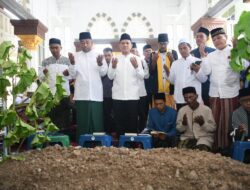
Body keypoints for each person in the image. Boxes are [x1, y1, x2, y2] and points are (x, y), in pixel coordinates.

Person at [200, 28, 240, 152]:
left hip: (230, 93)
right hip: (215, 94)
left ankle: (229, 148)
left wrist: (237, 51)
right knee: (215, 121)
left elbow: (242, 66)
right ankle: (216, 147)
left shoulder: (234, 51)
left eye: (219, 38)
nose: (217, 41)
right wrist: (203, 57)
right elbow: (206, 72)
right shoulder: (211, 55)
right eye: (214, 39)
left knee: (229, 122)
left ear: (226, 37)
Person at [68, 32, 108, 140]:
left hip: (96, 94)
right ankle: (82, 142)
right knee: (83, 120)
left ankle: (98, 142)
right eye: (82, 42)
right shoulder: (75, 56)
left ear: (91, 42)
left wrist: (100, 64)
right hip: (82, 94)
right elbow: (72, 74)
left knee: (97, 120)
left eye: (87, 42)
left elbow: (104, 72)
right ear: (79, 44)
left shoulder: (98, 55)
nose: (85, 44)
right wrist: (72, 63)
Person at [108, 33, 144, 136]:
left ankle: (131, 145)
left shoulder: (136, 58)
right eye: (123, 43)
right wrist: (114, 67)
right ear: (119, 45)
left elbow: (142, 76)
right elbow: (110, 76)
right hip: (118, 97)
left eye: (127, 43)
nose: (125, 45)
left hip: (132, 96)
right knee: (119, 123)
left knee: (132, 123)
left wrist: (137, 67)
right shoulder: (115, 59)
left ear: (131, 45)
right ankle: (121, 145)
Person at [39, 38, 71, 130]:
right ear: (49, 49)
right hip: (51, 94)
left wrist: (68, 74)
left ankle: (65, 138)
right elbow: (41, 78)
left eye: (56, 47)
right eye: (52, 48)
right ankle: (52, 140)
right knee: (52, 117)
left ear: (61, 47)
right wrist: (44, 73)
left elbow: (72, 76)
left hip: (64, 94)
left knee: (65, 118)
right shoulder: (45, 62)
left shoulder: (67, 61)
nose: (54, 50)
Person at [169, 39, 207, 111]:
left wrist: (197, 70)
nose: (182, 50)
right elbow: (172, 81)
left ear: (190, 48)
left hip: (194, 99)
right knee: (182, 120)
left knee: (196, 120)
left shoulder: (198, 61)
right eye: (180, 49)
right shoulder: (175, 63)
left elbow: (204, 79)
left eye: (185, 48)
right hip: (180, 98)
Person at [176, 87, 216, 151]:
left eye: (191, 97)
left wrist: (203, 123)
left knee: (200, 152)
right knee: (181, 153)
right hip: (187, 138)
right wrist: (184, 124)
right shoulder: (182, 110)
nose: (188, 100)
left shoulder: (206, 110)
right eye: (186, 98)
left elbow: (213, 128)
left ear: (196, 96)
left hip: (204, 138)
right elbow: (179, 129)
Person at [151, 33, 178, 109]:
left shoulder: (173, 52)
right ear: (158, 44)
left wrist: (172, 59)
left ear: (168, 43)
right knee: (158, 110)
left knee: (171, 111)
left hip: (170, 88)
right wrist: (153, 61)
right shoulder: (153, 54)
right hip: (157, 89)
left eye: (165, 44)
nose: (163, 46)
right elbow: (151, 72)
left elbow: (177, 70)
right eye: (161, 44)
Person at [191, 27, 215, 106]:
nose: (198, 38)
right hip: (196, 88)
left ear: (207, 38)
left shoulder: (213, 51)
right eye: (197, 37)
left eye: (201, 36)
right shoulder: (192, 53)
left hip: (210, 87)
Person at [130, 42, 149, 132]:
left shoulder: (142, 61)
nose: (133, 52)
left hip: (141, 93)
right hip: (130, 94)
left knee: (142, 115)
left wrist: (138, 67)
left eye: (135, 51)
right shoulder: (126, 61)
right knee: (132, 115)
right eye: (132, 51)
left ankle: (142, 132)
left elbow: (146, 76)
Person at [101, 47, 115, 135]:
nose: (107, 57)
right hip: (104, 94)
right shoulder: (100, 65)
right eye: (105, 55)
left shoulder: (116, 63)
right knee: (106, 114)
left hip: (115, 94)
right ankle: (107, 132)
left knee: (115, 114)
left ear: (112, 55)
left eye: (109, 55)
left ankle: (115, 131)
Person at [143, 44, 154, 109]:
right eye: (146, 51)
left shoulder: (155, 62)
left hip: (154, 89)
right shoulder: (141, 62)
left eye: (150, 51)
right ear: (143, 53)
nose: (148, 52)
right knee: (145, 108)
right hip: (145, 89)